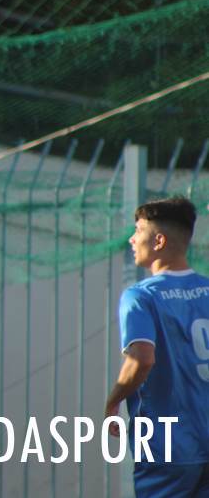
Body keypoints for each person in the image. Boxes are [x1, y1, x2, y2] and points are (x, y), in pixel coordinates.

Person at [105, 196, 209, 497]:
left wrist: (113, 400)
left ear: (159, 240)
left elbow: (141, 359)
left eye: (138, 230)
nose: (132, 239)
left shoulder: (141, 296)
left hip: (166, 448)